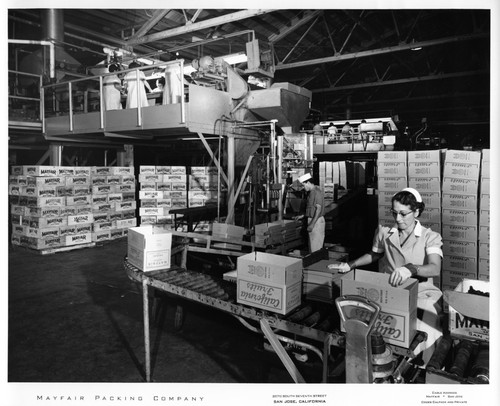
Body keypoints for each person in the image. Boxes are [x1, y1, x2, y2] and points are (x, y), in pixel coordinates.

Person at [330, 188, 443, 365]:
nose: (398, 219)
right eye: (394, 213)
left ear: (417, 212)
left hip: (421, 294)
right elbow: (374, 255)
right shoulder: (384, 232)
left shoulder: (430, 237)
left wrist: (411, 269)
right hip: (389, 292)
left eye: (403, 214)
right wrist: (350, 264)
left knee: (423, 329)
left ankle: (421, 368)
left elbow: (435, 268)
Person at [294, 173, 325, 253]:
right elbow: (312, 208)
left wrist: (312, 224)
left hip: (316, 222)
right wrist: (303, 216)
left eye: (303, 185)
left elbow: (318, 209)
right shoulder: (311, 193)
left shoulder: (316, 192)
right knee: (312, 247)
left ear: (308, 183)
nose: (303, 188)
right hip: (313, 220)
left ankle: (316, 265)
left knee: (315, 249)